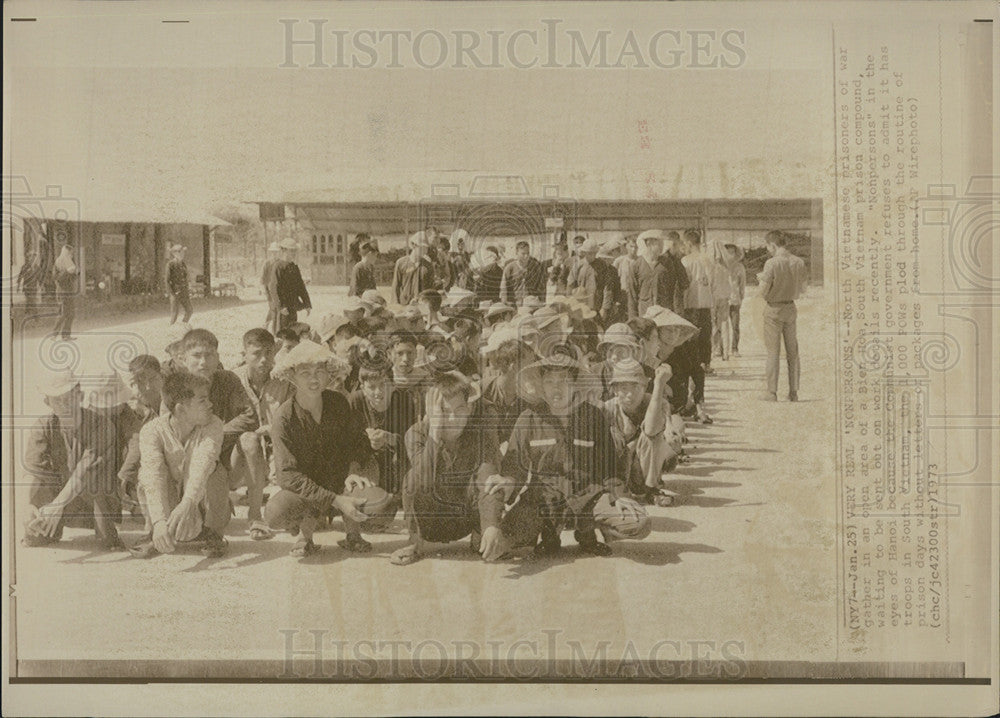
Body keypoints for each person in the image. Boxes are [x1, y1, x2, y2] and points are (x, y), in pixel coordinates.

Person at [499, 353, 651, 557]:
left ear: (575, 384)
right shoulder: (528, 419)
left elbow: (609, 465)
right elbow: (513, 466)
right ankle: (547, 534)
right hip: (543, 501)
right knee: (502, 539)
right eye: (550, 381)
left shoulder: (594, 416)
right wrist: (506, 485)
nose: (556, 387)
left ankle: (588, 533)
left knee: (638, 522)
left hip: (588, 497)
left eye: (563, 381)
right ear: (541, 385)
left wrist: (619, 495)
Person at [264, 341, 395, 556]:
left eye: (319, 372)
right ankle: (304, 535)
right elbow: (287, 476)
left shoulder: (338, 402)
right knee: (276, 512)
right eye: (305, 373)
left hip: (342, 481)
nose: (313, 379)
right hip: (308, 489)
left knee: (381, 507)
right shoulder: (284, 417)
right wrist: (335, 500)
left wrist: (354, 470)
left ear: (328, 375)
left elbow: (359, 441)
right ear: (292, 377)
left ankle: (353, 534)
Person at [390, 370, 516, 565]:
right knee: (411, 478)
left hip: (465, 519)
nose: (452, 419)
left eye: (459, 410)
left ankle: (481, 533)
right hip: (430, 521)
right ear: (432, 413)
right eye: (444, 412)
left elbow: (489, 478)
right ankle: (415, 541)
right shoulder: (415, 434)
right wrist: (435, 432)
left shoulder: (481, 434)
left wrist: (491, 525)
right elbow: (421, 481)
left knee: (488, 476)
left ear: (469, 409)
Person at [129, 372, 230, 558]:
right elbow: (154, 475)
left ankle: (213, 534)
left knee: (216, 472)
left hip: (197, 500)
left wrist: (188, 502)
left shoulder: (213, 424)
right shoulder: (151, 431)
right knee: (146, 475)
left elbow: (203, 462)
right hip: (171, 498)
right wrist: (159, 521)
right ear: (181, 410)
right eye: (202, 401)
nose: (210, 405)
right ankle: (157, 533)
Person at [21, 369, 124, 550]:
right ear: (47, 402)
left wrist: (58, 504)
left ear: (81, 396)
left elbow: (85, 471)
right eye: (58, 400)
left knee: (96, 481)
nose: (65, 404)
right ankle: (43, 528)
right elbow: (33, 470)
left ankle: (106, 533)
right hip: (60, 503)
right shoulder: (42, 427)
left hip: (95, 502)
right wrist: (27, 504)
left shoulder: (102, 425)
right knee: (35, 538)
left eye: (70, 397)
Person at [231, 328, 292, 538]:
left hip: (277, 452)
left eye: (268, 352)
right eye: (257, 353)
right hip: (240, 456)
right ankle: (255, 515)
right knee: (249, 439)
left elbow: (293, 421)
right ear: (245, 354)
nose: (264, 359)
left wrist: (273, 429)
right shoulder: (231, 380)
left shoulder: (284, 381)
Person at [603, 362, 682, 507]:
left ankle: (651, 490)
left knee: (652, 438)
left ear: (645, 386)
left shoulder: (658, 403)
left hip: (648, 463)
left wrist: (659, 385)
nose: (630, 394)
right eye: (623, 388)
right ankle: (619, 491)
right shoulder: (608, 409)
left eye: (636, 387)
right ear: (614, 390)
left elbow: (651, 430)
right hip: (620, 468)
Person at [759, 230, 808, 401]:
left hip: (773, 309)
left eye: (768, 247)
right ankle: (793, 392)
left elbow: (762, 292)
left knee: (773, 352)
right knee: (793, 351)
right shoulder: (799, 262)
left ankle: (772, 392)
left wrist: (763, 282)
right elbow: (803, 289)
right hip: (790, 308)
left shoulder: (771, 263)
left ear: (772, 245)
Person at [680, 229, 722, 423]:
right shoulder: (710, 261)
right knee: (702, 360)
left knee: (688, 357)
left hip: (690, 311)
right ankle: (698, 403)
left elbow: (683, 287)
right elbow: (713, 287)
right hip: (706, 310)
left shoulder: (685, 261)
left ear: (688, 243)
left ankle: (689, 401)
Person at [117, 355, 165, 519]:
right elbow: (133, 443)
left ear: (162, 376)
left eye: (153, 379)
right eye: (140, 381)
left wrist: (148, 413)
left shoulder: (172, 398)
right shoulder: (130, 404)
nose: (147, 386)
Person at [570, 238, 619, 327]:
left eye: (594, 253)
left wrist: (605, 308)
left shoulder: (603, 266)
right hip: (581, 305)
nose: (591, 256)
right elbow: (571, 286)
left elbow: (607, 288)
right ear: (584, 252)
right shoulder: (578, 266)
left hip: (597, 306)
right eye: (589, 253)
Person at [271, 238, 312, 330]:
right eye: (291, 251)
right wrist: (281, 306)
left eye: (295, 251)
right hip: (283, 307)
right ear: (284, 250)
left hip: (292, 306)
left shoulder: (294, 267)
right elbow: (273, 288)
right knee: (282, 332)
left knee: (293, 331)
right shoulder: (278, 266)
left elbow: (301, 287)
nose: (293, 253)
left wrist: (307, 304)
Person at [393, 232, 436, 306]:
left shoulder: (428, 266)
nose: (425, 251)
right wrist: (396, 305)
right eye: (422, 247)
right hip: (404, 305)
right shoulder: (401, 263)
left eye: (426, 248)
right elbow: (396, 286)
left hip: (422, 305)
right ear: (414, 245)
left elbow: (431, 289)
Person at [501, 241, 545, 307]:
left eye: (528, 253)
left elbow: (541, 286)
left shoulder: (535, 267)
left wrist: (541, 301)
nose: (526, 256)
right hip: (515, 305)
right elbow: (503, 289)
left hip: (531, 305)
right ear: (516, 253)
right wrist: (505, 304)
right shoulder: (509, 268)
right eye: (523, 254)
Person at [52, 241, 78, 340]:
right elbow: (56, 277)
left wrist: (75, 272)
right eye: (70, 253)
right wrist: (67, 272)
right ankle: (54, 334)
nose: (71, 255)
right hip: (62, 292)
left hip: (70, 292)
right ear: (66, 253)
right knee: (63, 313)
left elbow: (73, 278)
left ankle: (66, 335)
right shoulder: (58, 262)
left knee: (71, 314)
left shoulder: (69, 263)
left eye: (72, 253)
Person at [165, 243, 194, 325]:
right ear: (175, 253)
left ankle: (183, 325)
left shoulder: (183, 264)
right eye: (181, 252)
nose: (183, 254)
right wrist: (171, 293)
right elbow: (167, 280)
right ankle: (171, 330)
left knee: (189, 310)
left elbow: (186, 277)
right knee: (174, 314)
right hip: (175, 292)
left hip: (184, 291)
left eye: (183, 252)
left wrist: (189, 288)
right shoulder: (170, 264)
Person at [261, 241, 281, 334]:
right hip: (269, 289)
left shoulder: (281, 263)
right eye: (273, 252)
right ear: (271, 253)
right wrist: (265, 289)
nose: (275, 254)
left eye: (276, 252)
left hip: (279, 290)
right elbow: (263, 278)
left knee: (275, 308)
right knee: (273, 308)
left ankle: (267, 324)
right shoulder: (267, 263)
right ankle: (273, 330)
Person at [17, 249, 41, 317]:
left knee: (31, 299)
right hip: (27, 286)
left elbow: (39, 277)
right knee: (30, 299)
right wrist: (18, 286)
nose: (32, 258)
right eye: (30, 257)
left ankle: (28, 312)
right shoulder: (24, 267)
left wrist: (41, 286)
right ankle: (35, 314)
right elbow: (20, 276)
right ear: (28, 258)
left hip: (34, 287)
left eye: (33, 257)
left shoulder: (37, 267)